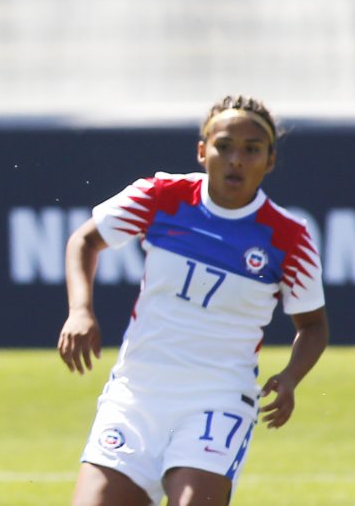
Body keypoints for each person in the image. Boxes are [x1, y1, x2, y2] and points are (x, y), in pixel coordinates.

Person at [57, 95, 328, 506]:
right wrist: (80, 310)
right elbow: (85, 240)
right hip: (136, 394)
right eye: (224, 145)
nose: (236, 159)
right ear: (203, 150)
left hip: (217, 402)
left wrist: (291, 376)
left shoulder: (289, 237)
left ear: (270, 160)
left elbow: (313, 325)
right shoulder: (162, 195)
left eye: (251, 149)